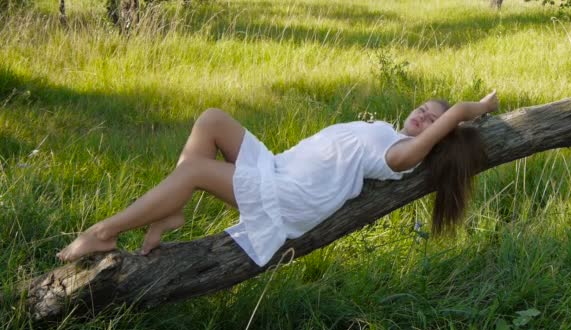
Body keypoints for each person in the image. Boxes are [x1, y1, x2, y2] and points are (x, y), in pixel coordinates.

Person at [57, 90, 499, 266]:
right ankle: (169, 211)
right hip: (277, 168)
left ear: (437, 139)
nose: (422, 116)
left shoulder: (401, 156)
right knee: (211, 118)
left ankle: (104, 231)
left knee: (194, 171)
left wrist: (480, 107)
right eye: (422, 108)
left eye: (431, 121)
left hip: (290, 197)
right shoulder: (386, 130)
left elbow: (458, 114)